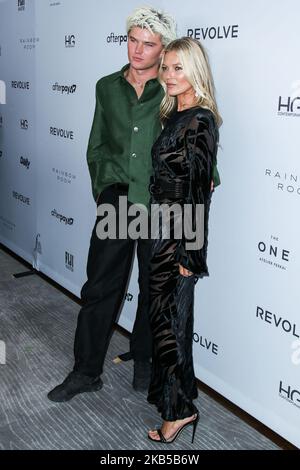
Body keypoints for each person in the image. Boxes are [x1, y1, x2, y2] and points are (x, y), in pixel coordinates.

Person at [47, 7, 220, 403]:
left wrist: (210, 173)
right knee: (100, 285)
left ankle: (145, 361)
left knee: (152, 288)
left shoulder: (172, 85)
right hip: (120, 199)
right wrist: (105, 188)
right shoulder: (106, 86)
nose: (138, 51)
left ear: (163, 50)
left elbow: (190, 133)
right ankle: (85, 370)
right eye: (132, 40)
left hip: (160, 201)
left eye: (149, 44)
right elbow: (96, 143)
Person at [147, 37, 221, 443]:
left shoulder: (201, 120)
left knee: (172, 323)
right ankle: (176, 395)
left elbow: (198, 191)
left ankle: (179, 412)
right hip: (161, 229)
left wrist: (190, 253)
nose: (170, 76)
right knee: (164, 318)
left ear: (195, 71)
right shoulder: (174, 114)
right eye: (166, 67)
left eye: (179, 68)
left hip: (179, 237)